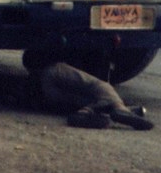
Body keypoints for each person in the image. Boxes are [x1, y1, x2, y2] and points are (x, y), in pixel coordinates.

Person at [24, 50, 154, 130]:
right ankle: (120, 109)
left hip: (49, 94)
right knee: (102, 87)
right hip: (50, 73)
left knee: (87, 100)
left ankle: (90, 112)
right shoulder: (54, 69)